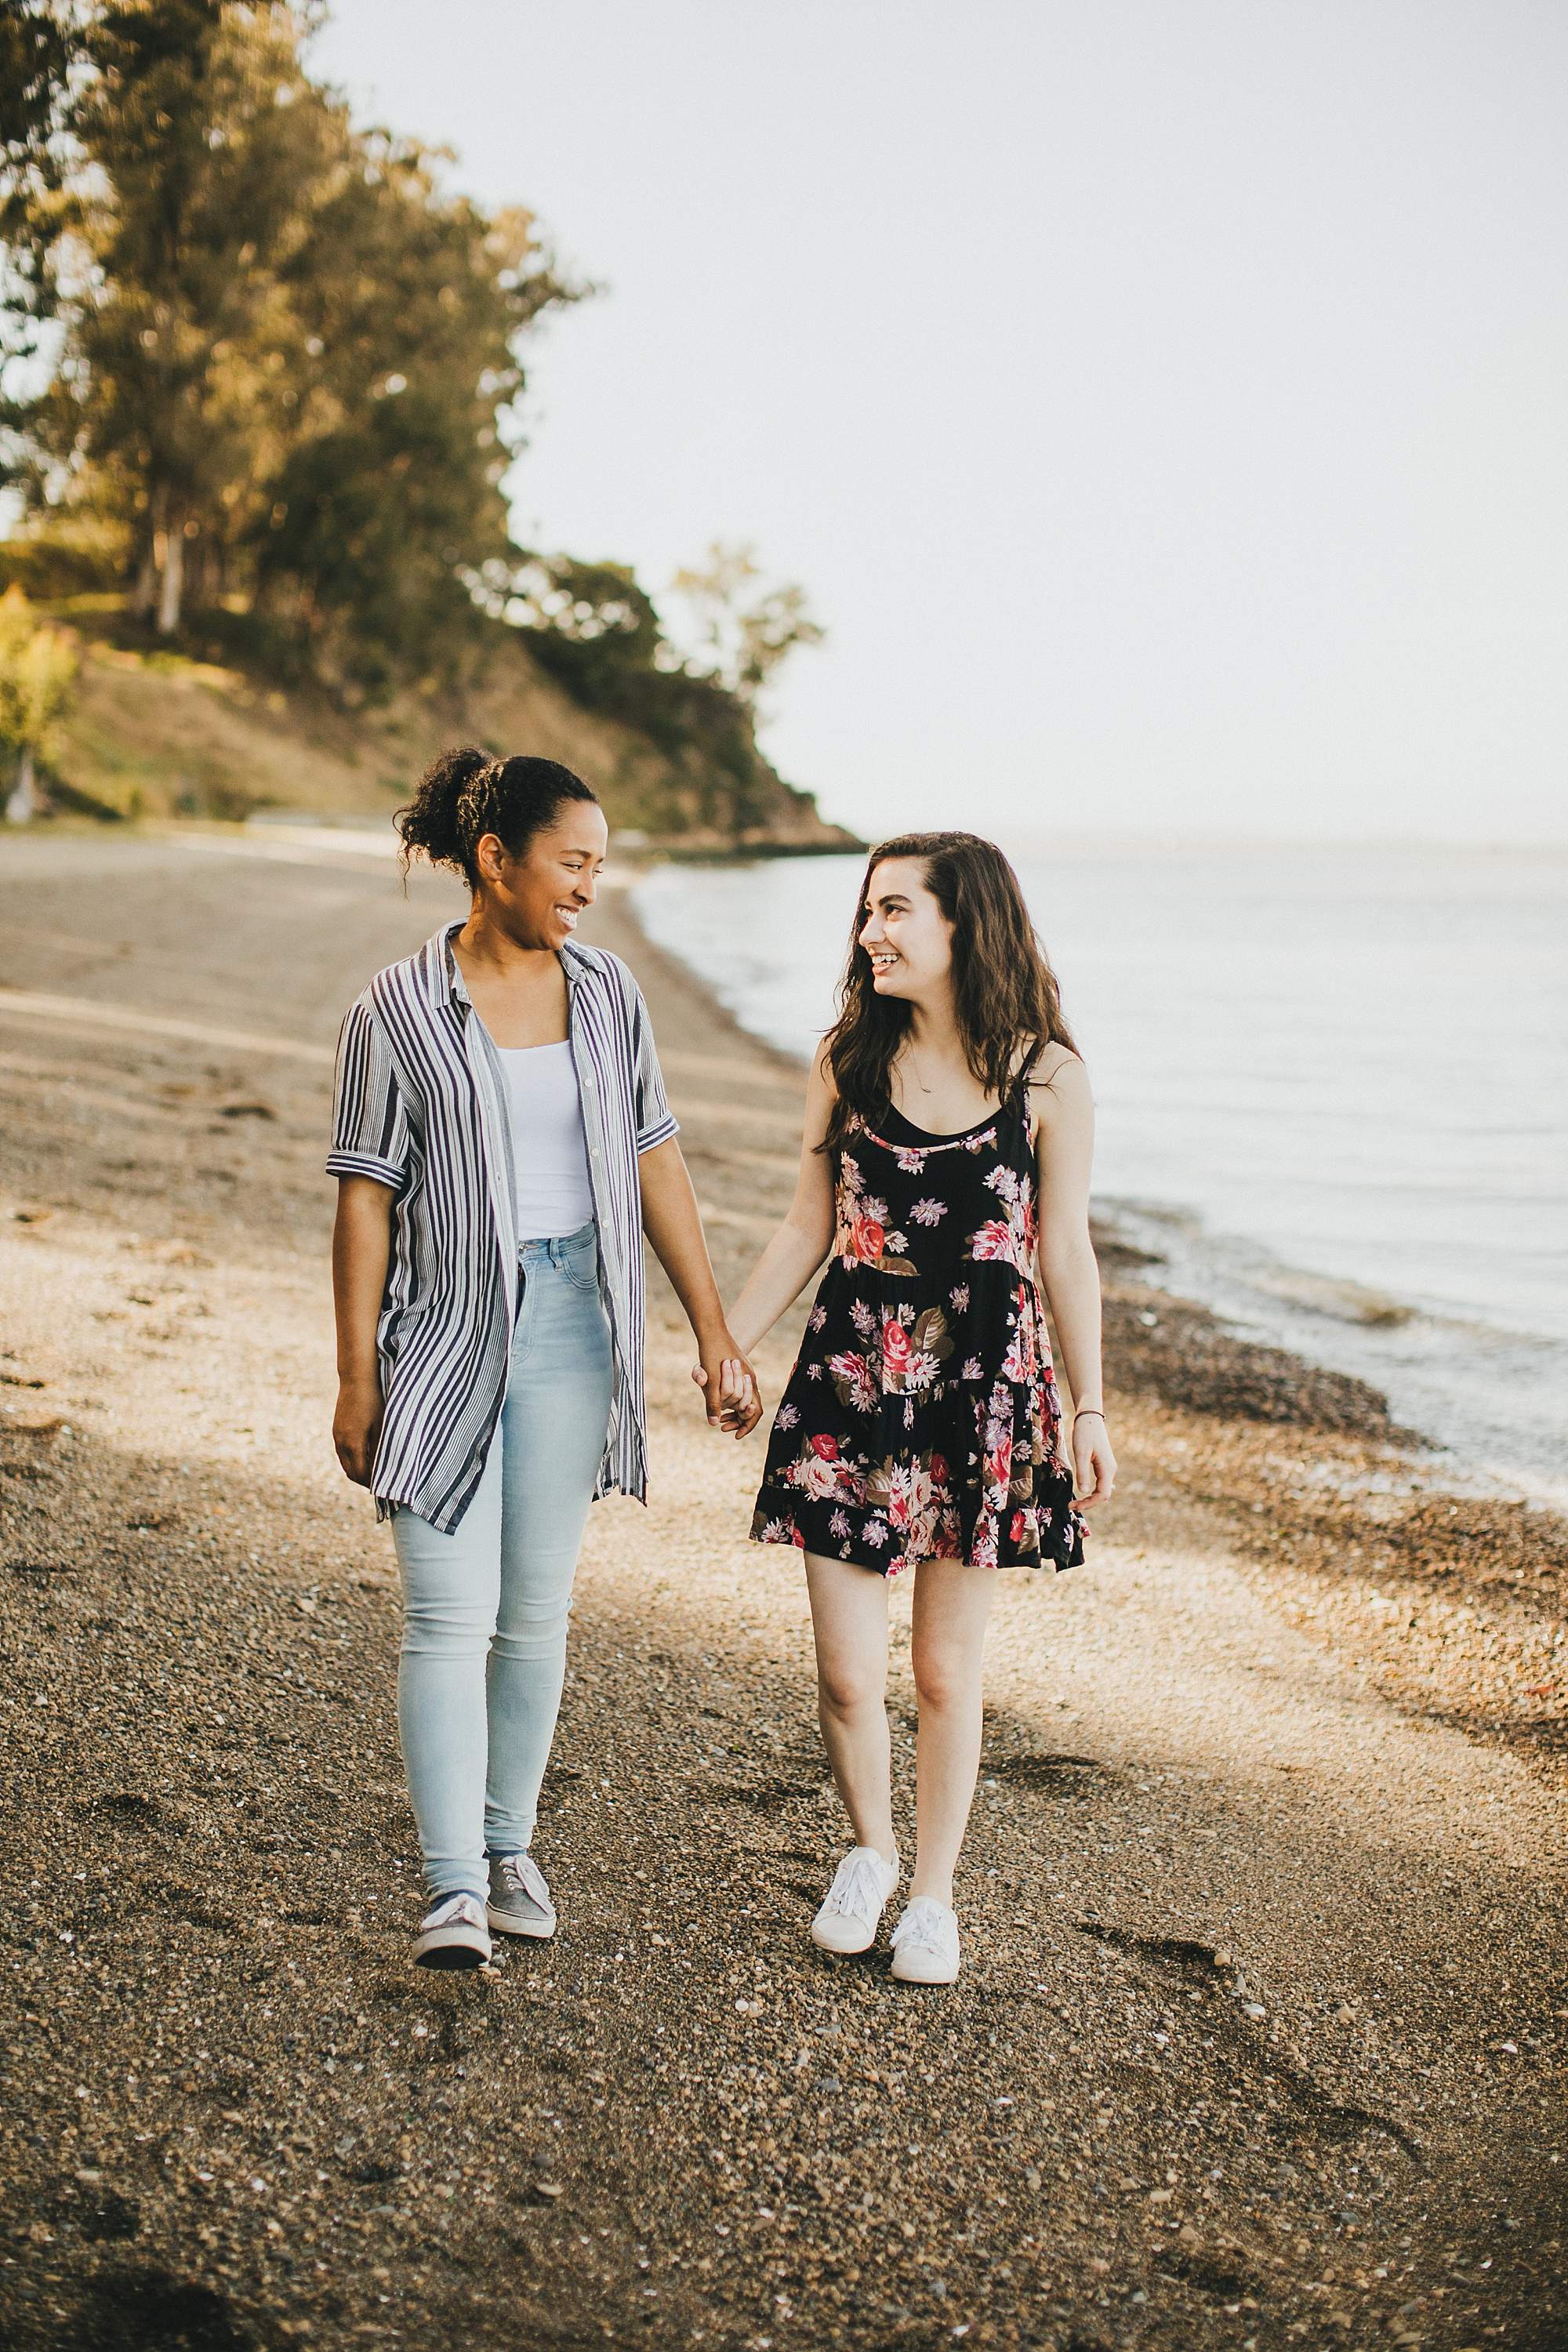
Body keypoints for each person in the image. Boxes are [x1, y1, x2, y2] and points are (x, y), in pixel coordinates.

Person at [328, 749, 760, 1969]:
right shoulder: (395, 1009)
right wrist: (356, 1375)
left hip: (576, 1322)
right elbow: (365, 1199)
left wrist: (714, 1333)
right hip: (442, 1334)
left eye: (600, 868)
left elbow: (654, 1161)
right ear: (495, 859)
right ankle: (453, 1886)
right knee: (445, 1617)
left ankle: (510, 1847)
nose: (588, 887)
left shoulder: (612, 993)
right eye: (572, 863)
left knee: (533, 1618)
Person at [718, 833, 1113, 1984]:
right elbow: (807, 1223)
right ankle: (870, 1854)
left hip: (981, 1398)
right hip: (851, 1384)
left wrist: (1090, 1408)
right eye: (866, 909)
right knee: (847, 1671)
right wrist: (728, 1343)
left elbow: (1066, 1252)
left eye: (895, 909)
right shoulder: (847, 1059)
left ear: (964, 924)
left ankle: (933, 1894)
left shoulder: (1047, 1078)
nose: (870, 932)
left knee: (944, 1670)